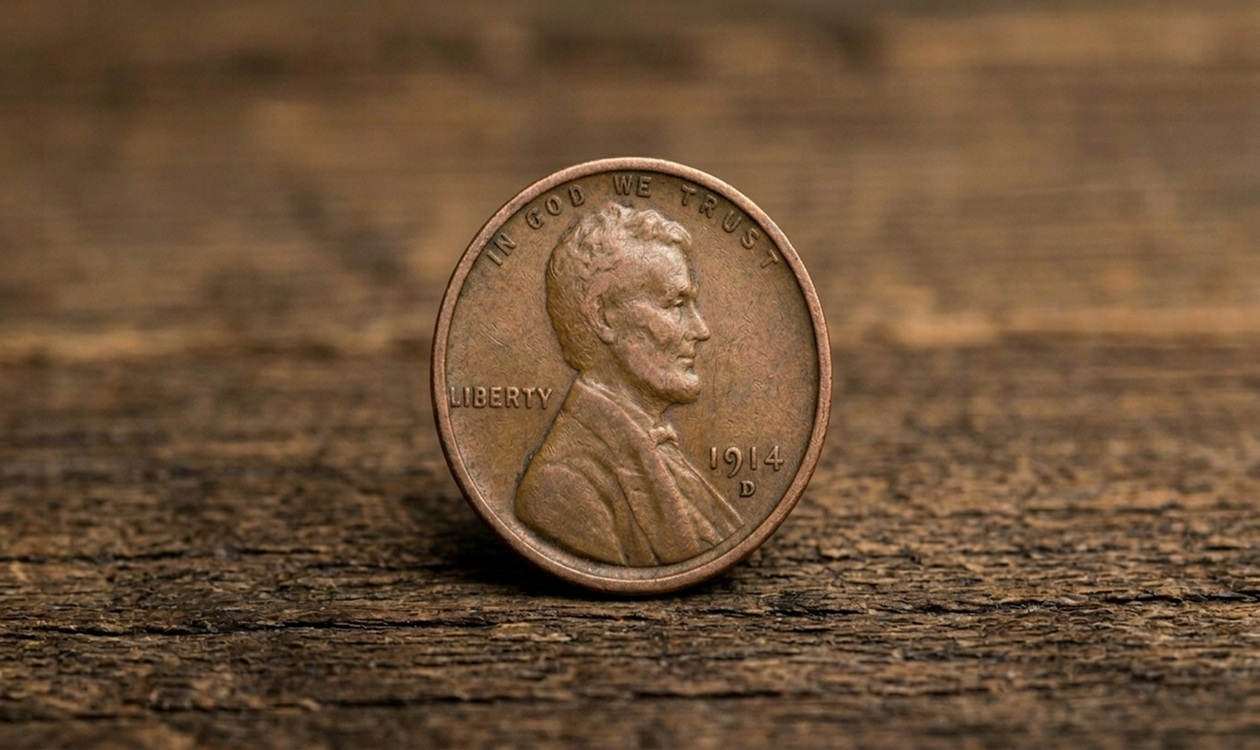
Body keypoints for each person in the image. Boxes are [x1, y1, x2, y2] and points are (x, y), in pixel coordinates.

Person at [515, 202, 743, 566]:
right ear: (603, 316)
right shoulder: (563, 486)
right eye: (675, 304)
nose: (701, 330)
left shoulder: (658, 450)